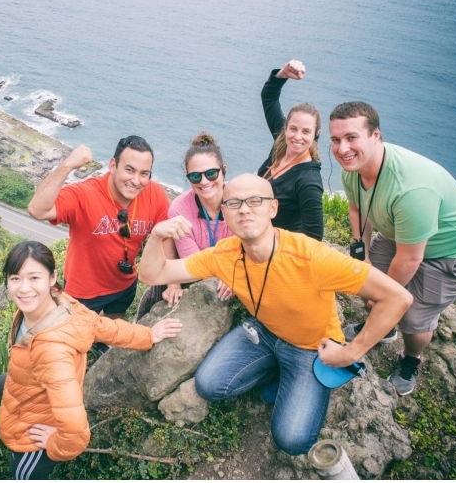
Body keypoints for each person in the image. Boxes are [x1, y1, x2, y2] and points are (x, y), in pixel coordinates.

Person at [138, 173, 412, 456]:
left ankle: (289, 376)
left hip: (312, 348)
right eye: (233, 203)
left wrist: (349, 354)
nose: (244, 209)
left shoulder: (312, 256)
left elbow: (397, 298)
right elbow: (152, 273)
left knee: (292, 439)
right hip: (264, 332)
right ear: (225, 213)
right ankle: (276, 371)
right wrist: (158, 235)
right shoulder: (223, 254)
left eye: (255, 201)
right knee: (208, 385)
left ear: (273, 208)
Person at [329, 101, 456, 396]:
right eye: (336, 139)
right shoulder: (352, 167)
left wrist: (386, 301)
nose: (342, 149)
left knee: (412, 315)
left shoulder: (410, 188)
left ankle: (411, 359)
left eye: (352, 137)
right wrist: (363, 253)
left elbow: (409, 259)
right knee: (364, 278)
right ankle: (385, 327)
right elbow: (356, 209)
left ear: (375, 135)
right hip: (404, 234)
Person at [0, 241, 182, 480]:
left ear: (52, 278)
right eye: (15, 279)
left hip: (34, 431)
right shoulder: (64, 304)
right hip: (33, 391)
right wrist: (148, 334)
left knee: (22, 475)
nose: (24, 289)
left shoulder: (53, 351)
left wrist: (56, 443)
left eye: (34, 278)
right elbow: (105, 327)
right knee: (2, 382)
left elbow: (74, 433)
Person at [27, 136, 179, 325]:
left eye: (144, 173)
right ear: (113, 166)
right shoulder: (85, 194)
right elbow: (37, 209)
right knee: (76, 336)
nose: (135, 180)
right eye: (129, 170)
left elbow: (166, 238)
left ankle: (101, 344)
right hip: (83, 291)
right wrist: (67, 165)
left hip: (125, 285)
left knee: (110, 327)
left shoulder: (154, 194)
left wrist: (174, 282)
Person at [257, 59, 324, 240]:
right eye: (293, 128)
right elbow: (269, 97)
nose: (297, 136)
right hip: (255, 237)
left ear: (316, 134)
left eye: (306, 131)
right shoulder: (282, 142)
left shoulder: (308, 181)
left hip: (277, 250)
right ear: (286, 127)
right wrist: (282, 75)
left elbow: (314, 236)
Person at [163, 132, 234, 303]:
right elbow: (196, 264)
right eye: (195, 176)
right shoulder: (180, 210)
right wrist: (173, 284)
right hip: (194, 274)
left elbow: (246, 250)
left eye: (211, 173)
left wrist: (234, 276)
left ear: (224, 170)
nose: (204, 181)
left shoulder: (239, 202)